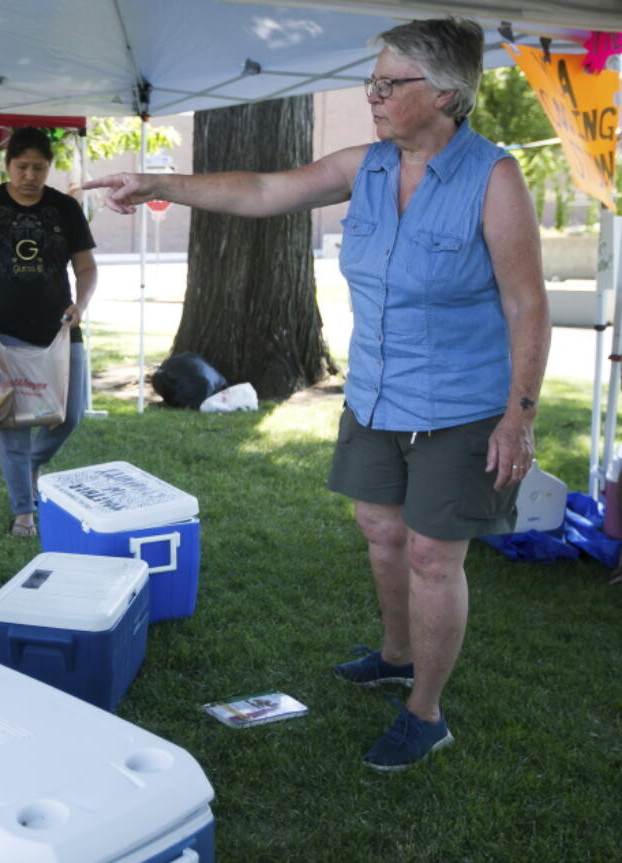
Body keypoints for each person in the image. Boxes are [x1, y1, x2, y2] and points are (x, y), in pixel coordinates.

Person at [86, 18, 549, 771]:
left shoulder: (493, 178)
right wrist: (159, 183)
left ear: (445, 93)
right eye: (374, 79)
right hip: (374, 396)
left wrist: (519, 414)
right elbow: (266, 189)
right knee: (381, 529)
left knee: (434, 555)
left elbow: (528, 303)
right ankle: (397, 654)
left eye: (388, 83)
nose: (372, 94)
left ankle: (425, 711)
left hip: (462, 405)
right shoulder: (366, 165)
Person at [0, 127, 98, 537]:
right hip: (1, 331)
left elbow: (86, 267)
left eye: (39, 168)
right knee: (13, 423)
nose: (30, 175)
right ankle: (23, 513)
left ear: (49, 167)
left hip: (61, 329)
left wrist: (80, 306)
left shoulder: (65, 208)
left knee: (68, 415)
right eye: (22, 167)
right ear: (7, 165)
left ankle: (31, 465)